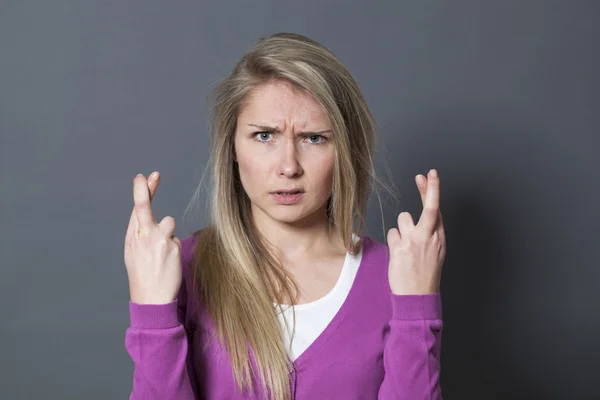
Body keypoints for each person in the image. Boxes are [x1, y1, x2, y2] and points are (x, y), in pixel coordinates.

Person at [123, 32, 446, 400]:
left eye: (314, 138)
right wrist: (152, 312)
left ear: (345, 149)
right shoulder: (183, 268)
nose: (288, 167)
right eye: (264, 136)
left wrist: (417, 310)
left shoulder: (395, 275)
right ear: (231, 146)